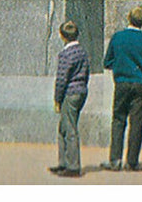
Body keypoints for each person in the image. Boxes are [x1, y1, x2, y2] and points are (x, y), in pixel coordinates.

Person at [103, 5, 142, 171]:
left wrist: (120, 65)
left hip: (122, 82)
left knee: (118, 120)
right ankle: (132, 161)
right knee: (137, 123)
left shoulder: (118, 37)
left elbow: (107, 62)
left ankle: (115, 160)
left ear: (128, 17)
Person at [49, 20, 89, 178]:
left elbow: (61, 79)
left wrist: (57, 99)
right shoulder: (82, 51)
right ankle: (63, 162)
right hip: (81, 90)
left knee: (69, 129)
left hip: (70, 93)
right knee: (63, 128)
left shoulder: (65, 54)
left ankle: (73, 166)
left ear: (62, 36)